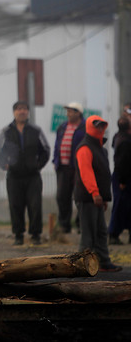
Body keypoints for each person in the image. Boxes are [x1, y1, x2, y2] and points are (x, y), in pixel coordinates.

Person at [0, 101, 50, 246]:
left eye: (25, 109)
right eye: (19, 109)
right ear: (14, 112)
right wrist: (3, 164)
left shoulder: (36, 130)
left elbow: (46, 149)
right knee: (15, 205)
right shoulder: (6, 131)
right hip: (14, 176)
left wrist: (38, 165)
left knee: (35, 205)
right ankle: (18, 235)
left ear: (28, 112)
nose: (22, 112)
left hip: (33, 176)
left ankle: (36, 235)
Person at [74, 115, 122, 272]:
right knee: (88, 234)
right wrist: (95, 193)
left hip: (96, 198)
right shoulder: (85, 148)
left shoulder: (99, 148)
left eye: (102, 125)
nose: (100, 128)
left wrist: (103, 196)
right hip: (88, 197)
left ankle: (103, 262)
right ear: (89, 127)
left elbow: (102, 174)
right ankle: (81, 266)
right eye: (97, 125)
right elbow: (86, 173)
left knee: (101, 231)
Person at [52, 102, 86, 234]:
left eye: (71, 111)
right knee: (62, 196)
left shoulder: (84, 127)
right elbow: (57, 145)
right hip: (63, 167)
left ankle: (80, 224)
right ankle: (64, 225)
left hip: (78, 167)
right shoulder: (62, 127)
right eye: (68, 111)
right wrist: (55, 160)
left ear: (78, 113)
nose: (68, 114)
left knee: (79, 196)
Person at [108, 117, 131, 245]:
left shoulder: (118, 137)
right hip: (124, 179)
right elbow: (122, 163)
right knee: (120, 206)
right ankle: (113, 234)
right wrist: (122, 181)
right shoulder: (125, 142)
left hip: (122, 177)